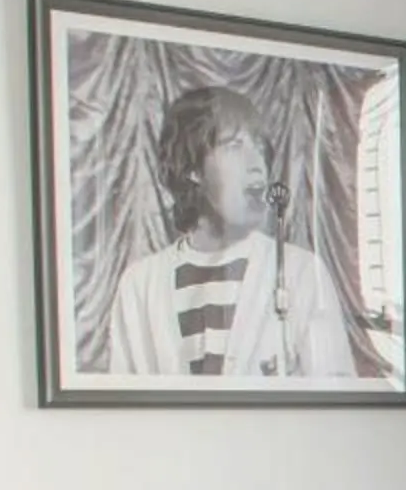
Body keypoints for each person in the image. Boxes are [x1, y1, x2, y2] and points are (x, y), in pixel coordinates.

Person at [106, 85, 356, 380]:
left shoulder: (302, 272)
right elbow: (125, 408)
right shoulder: (139, 285)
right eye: (234, 146)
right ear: (193, 169)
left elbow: (336, 397)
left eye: (260, 149)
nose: (257, 166)